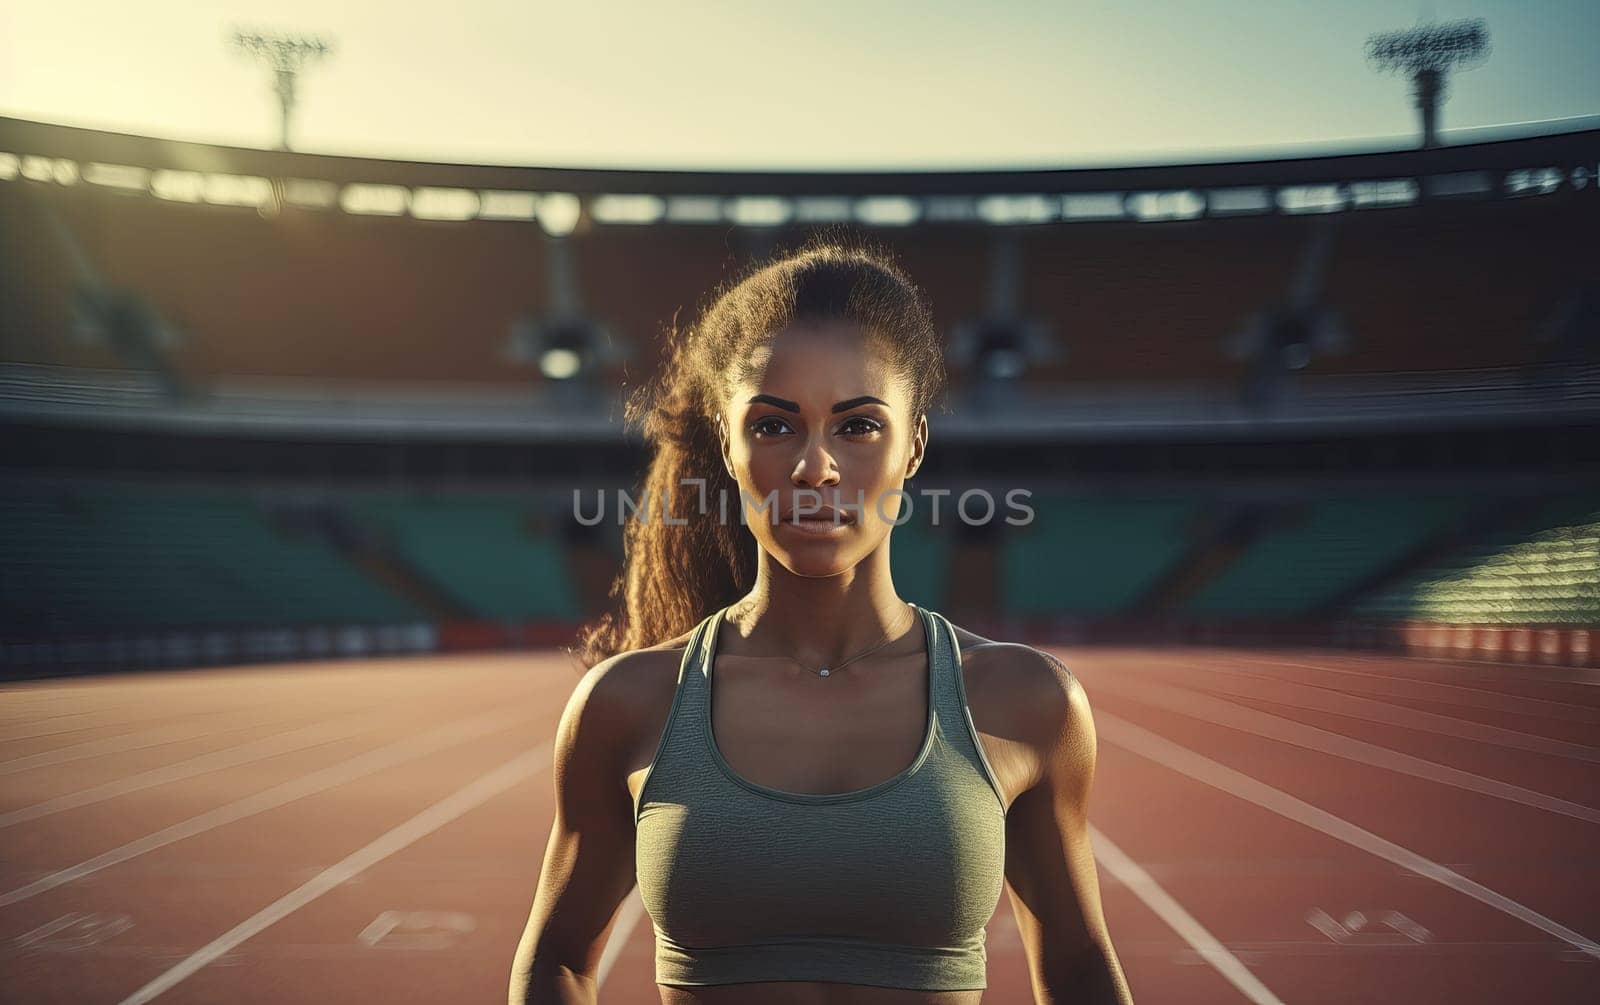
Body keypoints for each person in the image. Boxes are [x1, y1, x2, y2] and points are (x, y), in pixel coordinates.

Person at [510, 234, 1133, 1004]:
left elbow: (1078, 971)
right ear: (728, 446)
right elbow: (559, 959)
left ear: (914, 447)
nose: (815, 466)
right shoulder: (627, 702)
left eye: (858, 425)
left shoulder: (1027, 701)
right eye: (774, 425)